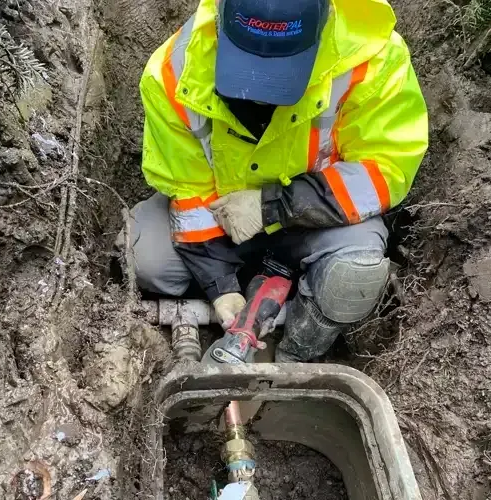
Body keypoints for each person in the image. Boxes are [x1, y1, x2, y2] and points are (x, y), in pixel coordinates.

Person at [128, 0, 428, 362]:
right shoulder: (175, 71)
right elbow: (189, 193)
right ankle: (240, 284)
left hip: (316, 220)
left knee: (353, 274)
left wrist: (273, 206)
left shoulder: (372, 59)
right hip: (224, 219)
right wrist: (220, 287)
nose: (258, 91)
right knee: (143, 254)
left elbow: (385, 168)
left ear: (323, 25)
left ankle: (298, 352)